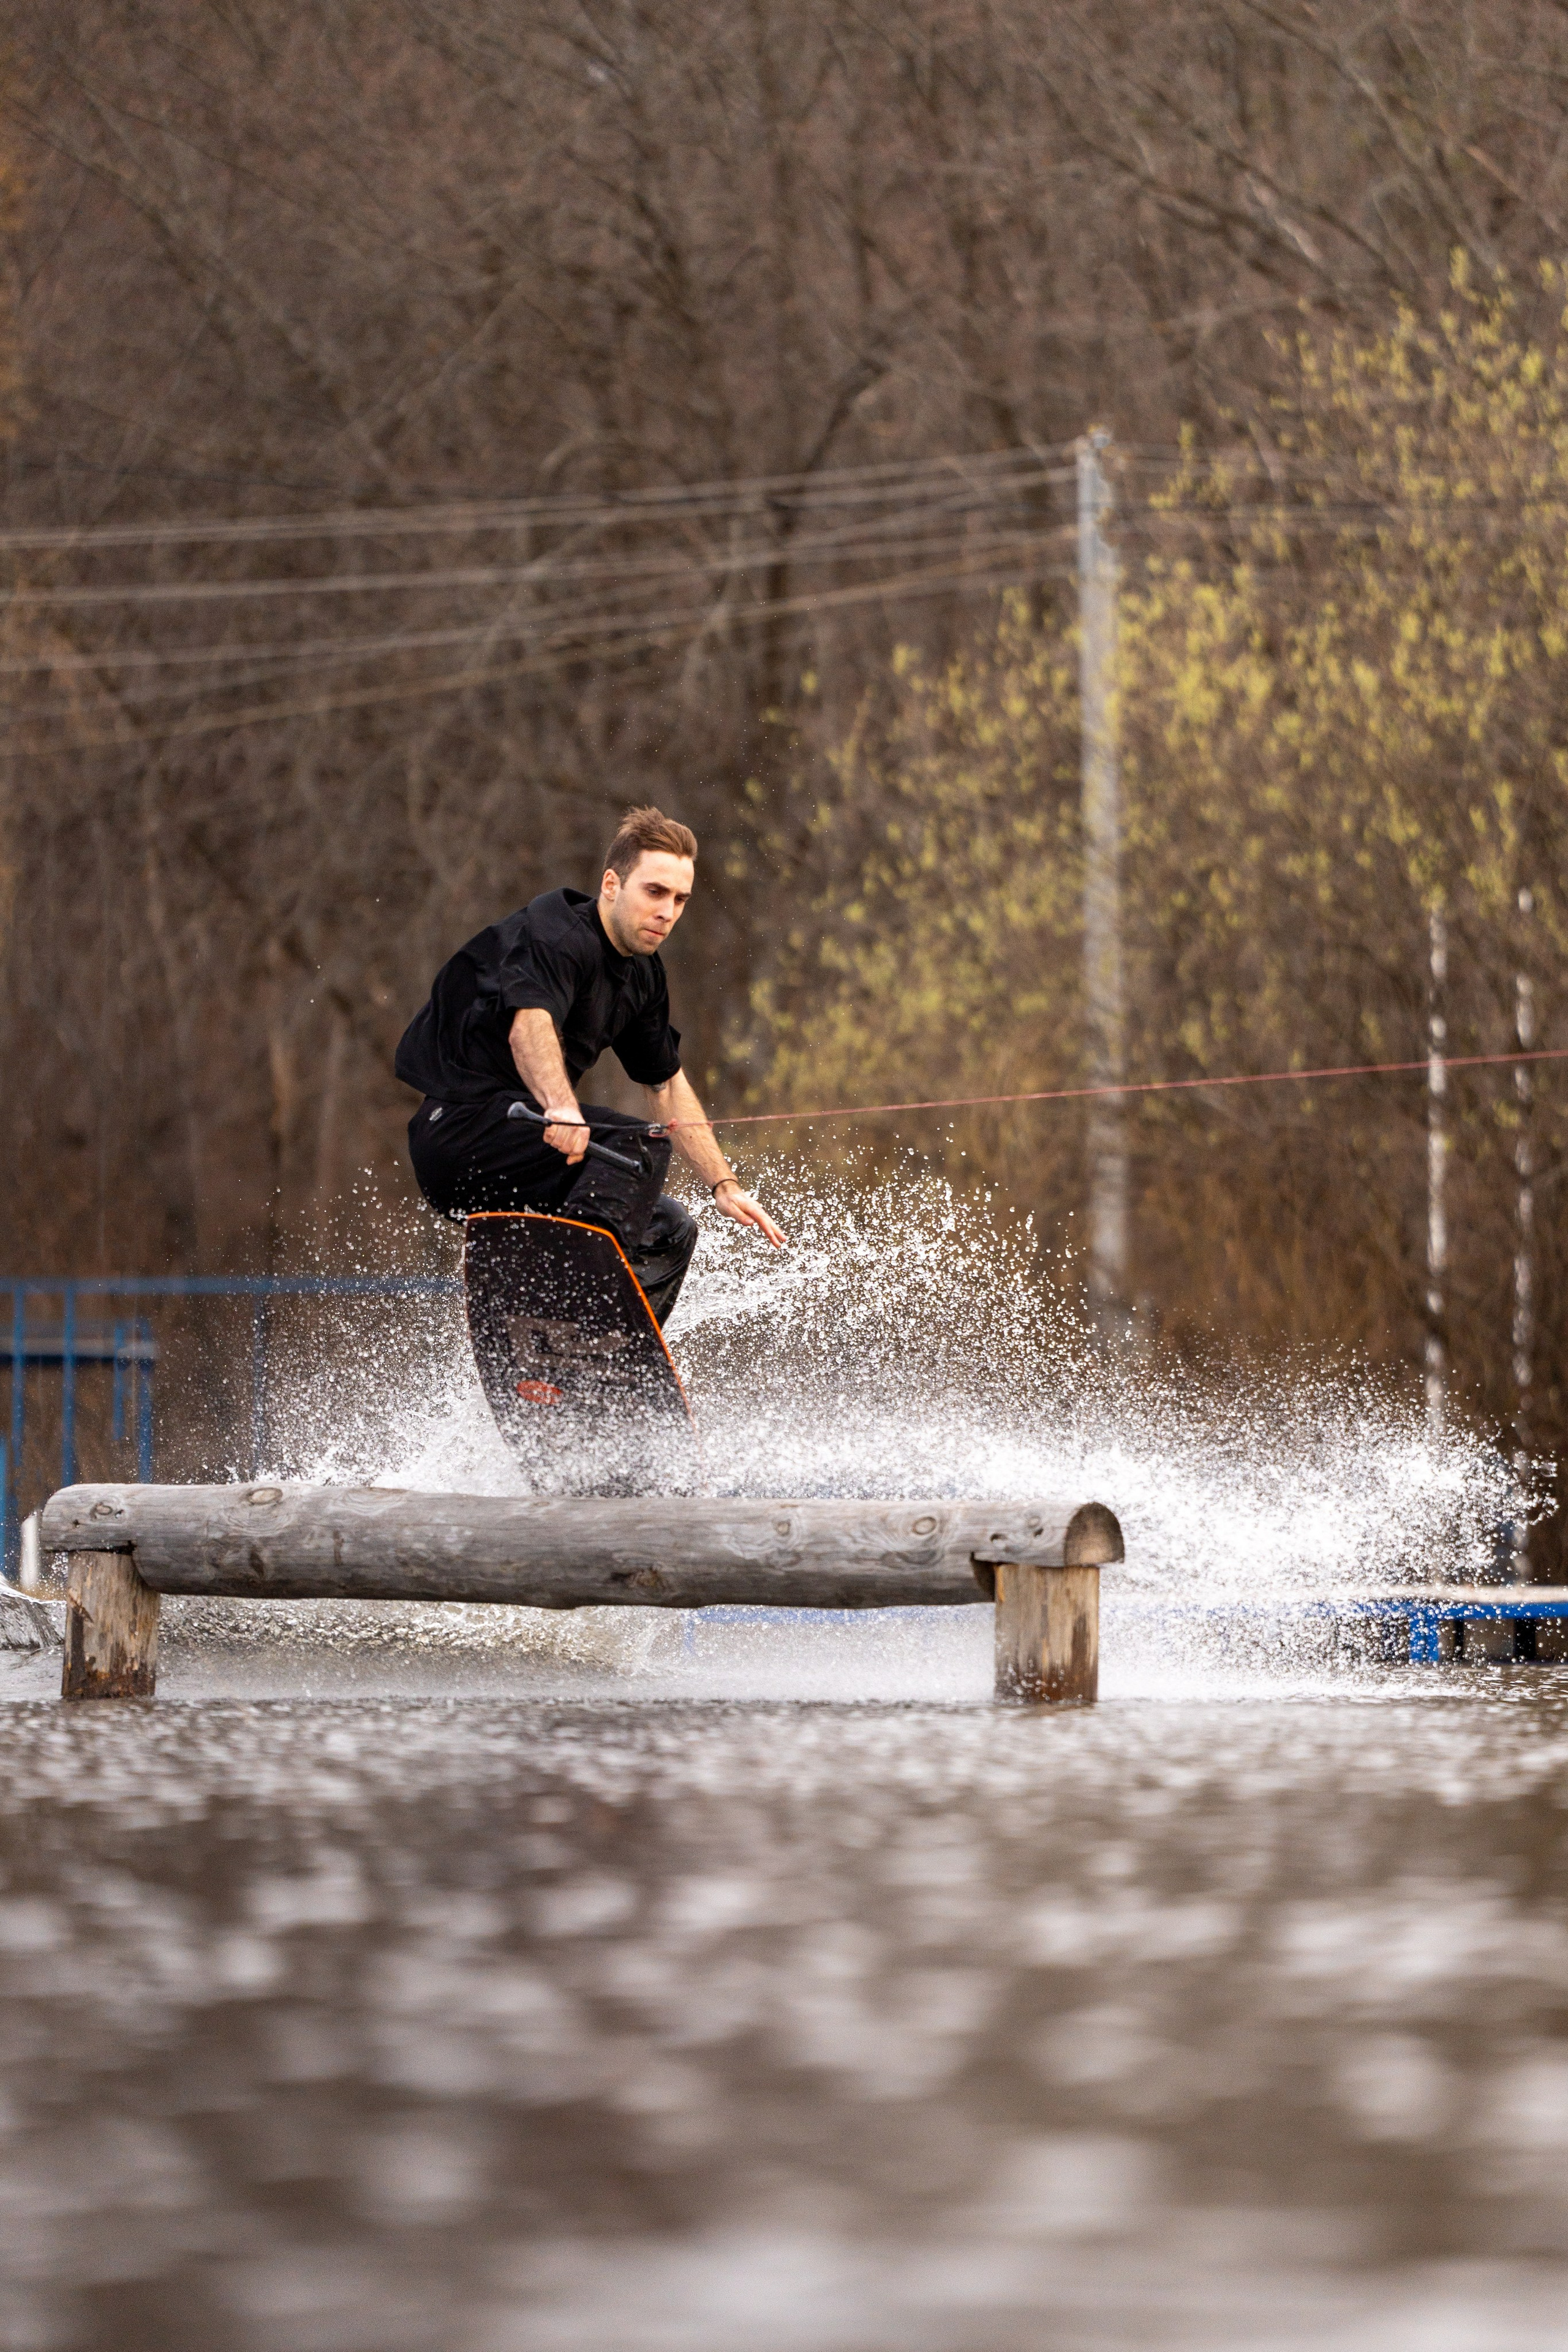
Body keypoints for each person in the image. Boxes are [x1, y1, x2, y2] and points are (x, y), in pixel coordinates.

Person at [395, 805, 786, 1324]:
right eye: (655, 892)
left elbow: (665, 1084)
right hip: (463, 1134)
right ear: (611, 884)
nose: (667, 911)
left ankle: (606, 1358)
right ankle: (563, 1313)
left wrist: (723, 1184)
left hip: (531, 1152)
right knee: (640, 1145)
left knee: (669, 1227)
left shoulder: (643, 976)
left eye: (680, 899)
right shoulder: (558, 936)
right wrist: (561, 1107)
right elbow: (528, 1026)